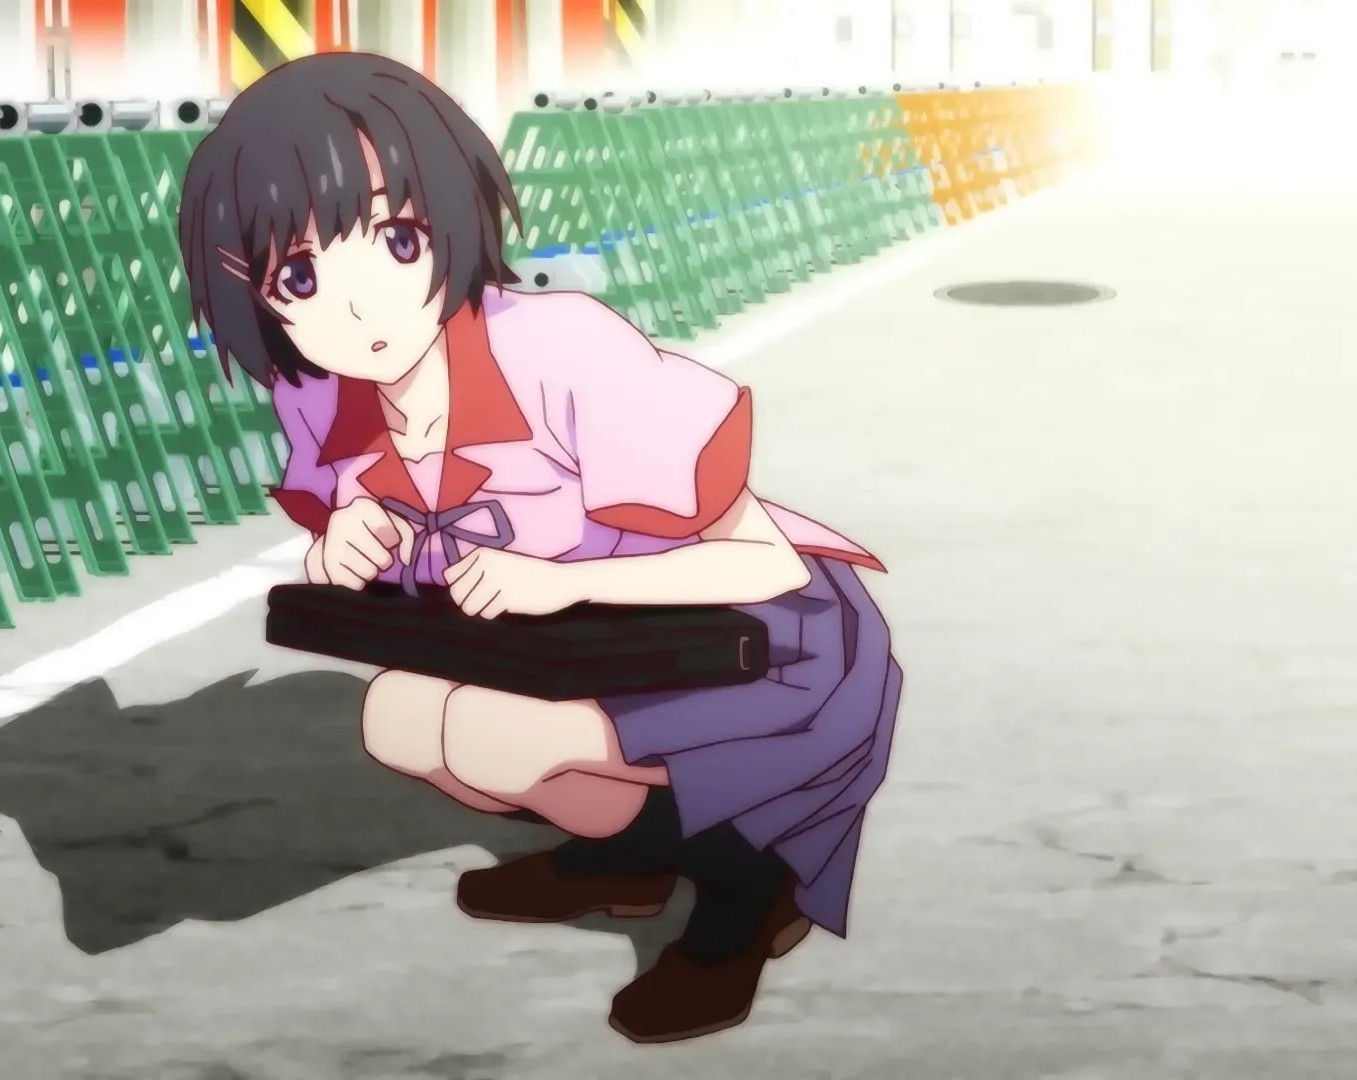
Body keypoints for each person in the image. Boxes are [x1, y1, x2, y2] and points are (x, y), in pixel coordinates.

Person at [177, 51, 902, 1045]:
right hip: (576, 645)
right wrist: (344, 544)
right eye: (298, 275)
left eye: (397, 239)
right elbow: (385, 548)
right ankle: (636, 857)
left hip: (755, 637)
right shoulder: (321, 392)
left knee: (489, 734)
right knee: (403, 719)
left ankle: (748, 887)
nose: (359, 308)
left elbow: (764, 566)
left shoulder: (559, 348)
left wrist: (562, 584)